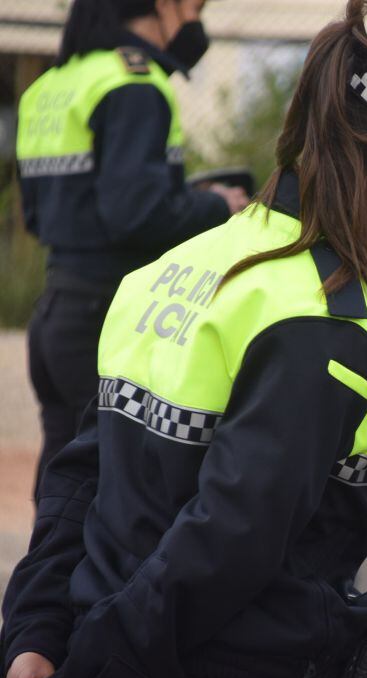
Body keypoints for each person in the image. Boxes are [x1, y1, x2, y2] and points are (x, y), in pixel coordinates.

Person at [0, 4, 367, 678]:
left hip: (107, 671)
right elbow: (222, 551)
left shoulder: (178, 266)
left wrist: (36, 636)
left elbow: (80, 474)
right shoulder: (326, 325)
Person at [17, 0, 248, 495]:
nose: (198, 18)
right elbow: (135, 214)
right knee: (113, 487)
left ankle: (44, 574)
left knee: (63, 482)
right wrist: (216, 206)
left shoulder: (52, 86)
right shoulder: (136, 86)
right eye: (198, 5)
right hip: (105, 318)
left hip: (55, 313)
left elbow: (35, 215)